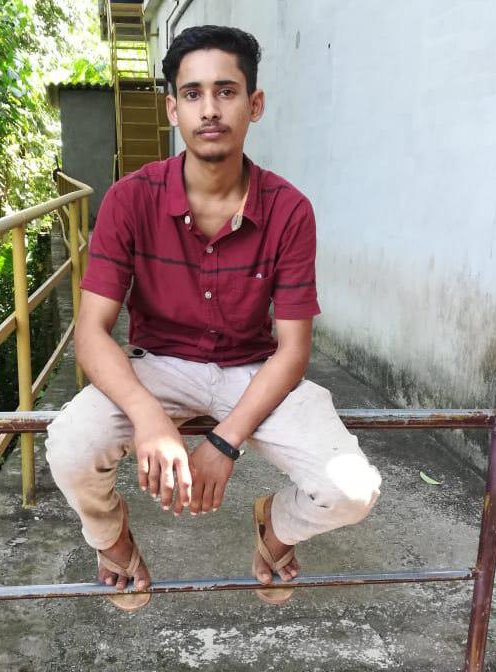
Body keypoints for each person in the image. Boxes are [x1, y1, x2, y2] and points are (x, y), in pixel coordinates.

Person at [45, 25, 381, 610]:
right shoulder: (130, 199)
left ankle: (275, 527)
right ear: (172, 109)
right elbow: (92, 333)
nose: (209, 109)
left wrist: (223, 443)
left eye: (226, 92)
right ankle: (113, 542)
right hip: (157, 366)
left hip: (254, 370)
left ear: (255, 104)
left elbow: (293, 349)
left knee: (353, 490)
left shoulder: (289, 210)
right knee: (69, 446)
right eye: (193, 93)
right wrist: (148, 416)